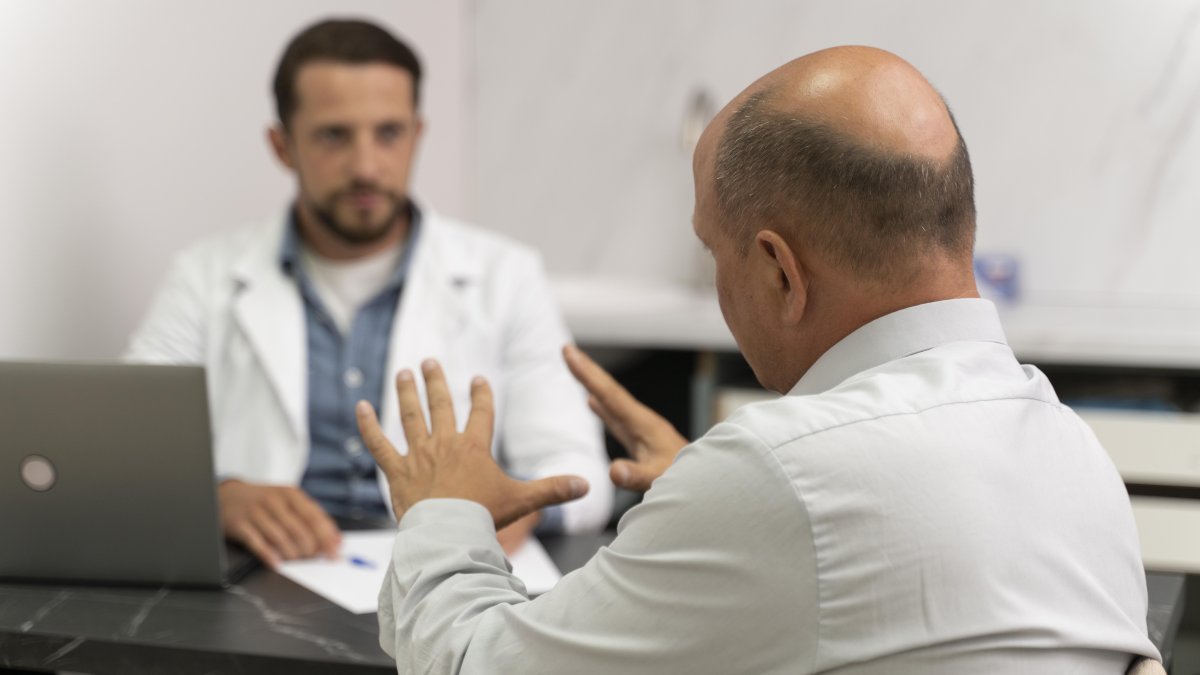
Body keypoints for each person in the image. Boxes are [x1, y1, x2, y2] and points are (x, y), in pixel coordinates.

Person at [355, 46, 1163, 673]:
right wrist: (710, 505)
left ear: (780, 270)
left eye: (715, 249)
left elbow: (470, 660)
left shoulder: (780, 478)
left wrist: (442, 509)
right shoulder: (1075, 454)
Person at [124, 18, 611, 567]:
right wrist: (219, 496)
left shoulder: (506, 275)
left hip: (446, 579)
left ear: (417, 135)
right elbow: (127, 452)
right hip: (268, 579)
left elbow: (577, 469)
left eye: (388, 133)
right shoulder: (204, 276)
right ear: (282, 146)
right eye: (334, 135)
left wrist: (517, 505)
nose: (366, 166)